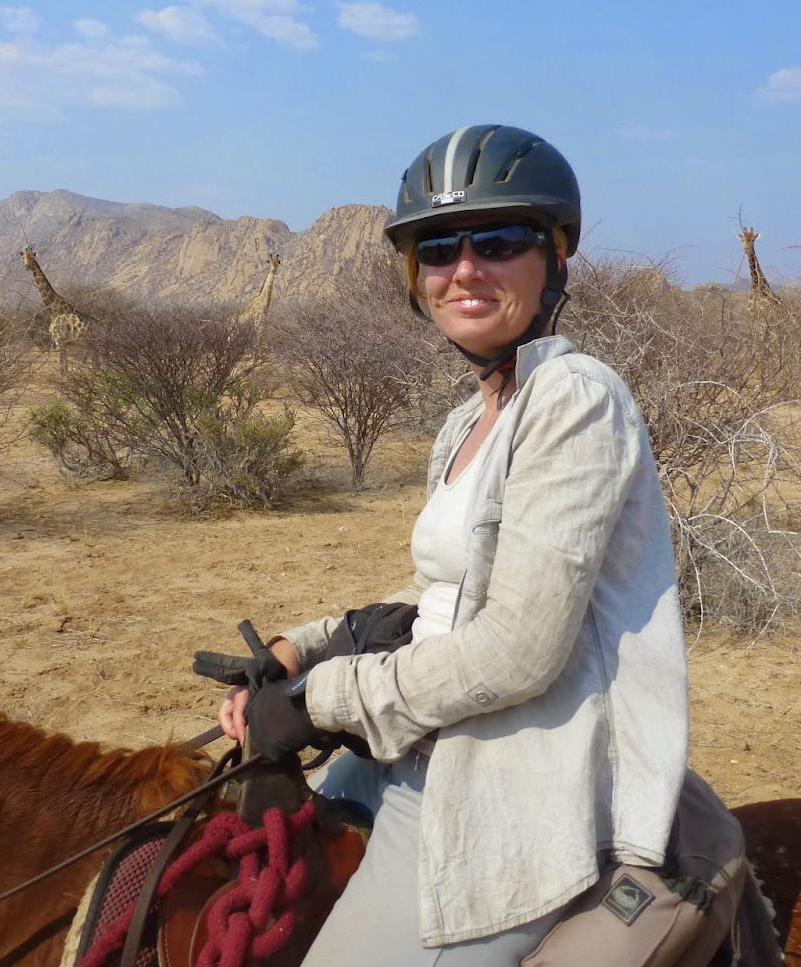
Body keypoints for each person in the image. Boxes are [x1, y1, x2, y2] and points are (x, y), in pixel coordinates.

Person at [215, 125, 735, 967]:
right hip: (423, 740)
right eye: (437, 249)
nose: (464, 269)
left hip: (512, 780)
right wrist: (306, 646)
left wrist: (316, 702)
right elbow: (453, 586)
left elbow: (517, 649)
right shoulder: (470, 419)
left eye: (498, 242)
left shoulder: (575, 397)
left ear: (555, 255)